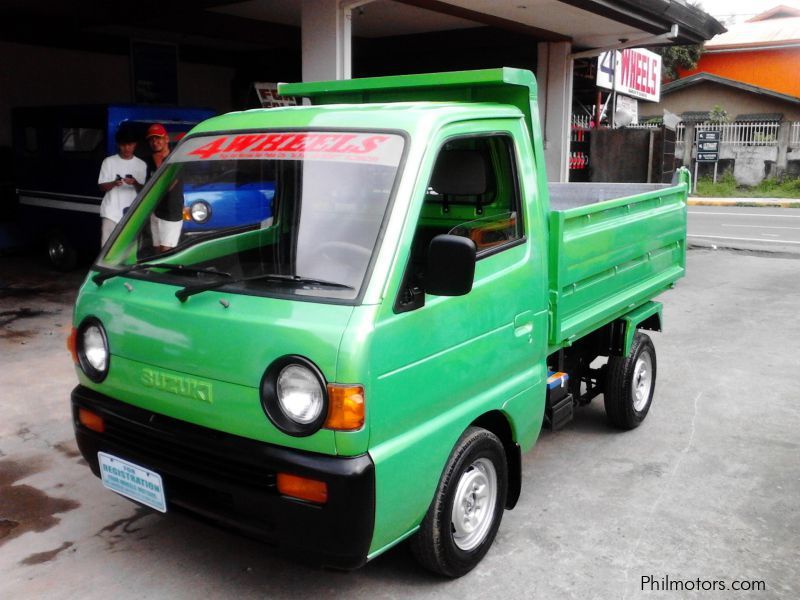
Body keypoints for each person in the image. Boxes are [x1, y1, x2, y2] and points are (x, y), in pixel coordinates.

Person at [97, 126, 146, 245]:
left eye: (130, 145)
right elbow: (101, 187)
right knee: (107, 249)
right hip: (110, 213)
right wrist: (114, 183)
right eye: (124, 145)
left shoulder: (141, 164)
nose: (127, 148)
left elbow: (144, 191)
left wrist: (134, 182)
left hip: (132, 214)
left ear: (135, 145)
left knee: (129, 250)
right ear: (119, 145)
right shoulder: (108, 161)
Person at [145, 123, 183, 252]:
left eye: (158, 138)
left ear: (166, 139)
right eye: (152, 139)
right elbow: (148, 185)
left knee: (166, 251)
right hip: (155, 212)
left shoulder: (176, 158)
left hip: (171, 212)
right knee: (156, 249)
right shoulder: (150, 160)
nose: (155, 142)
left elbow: (168, 185)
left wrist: (158, 163)